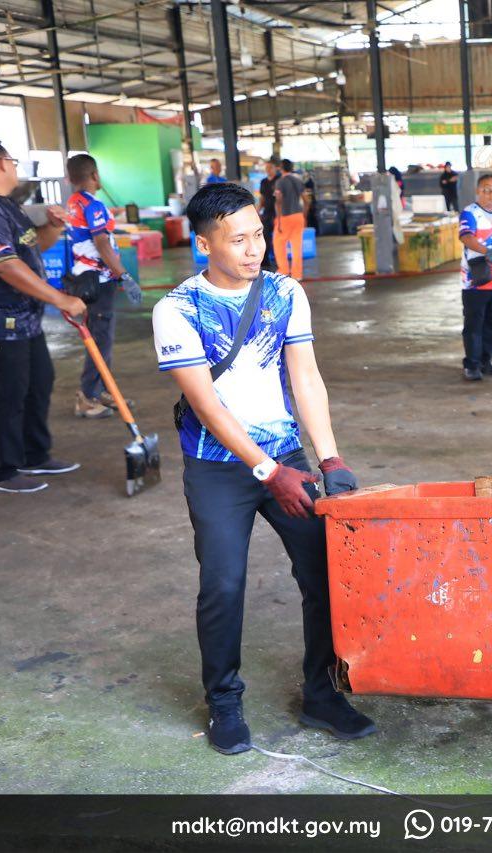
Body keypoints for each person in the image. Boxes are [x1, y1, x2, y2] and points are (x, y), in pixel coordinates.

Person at [152, 182, 375, 755]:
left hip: (289, 459)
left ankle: (322, 694)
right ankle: (224, 701)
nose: (254, 250)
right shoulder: (176, 310)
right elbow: (207, 405)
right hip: (218, 468)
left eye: (258, 235)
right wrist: (266, 472)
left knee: (325, 575)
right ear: (205, 244)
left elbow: (305, 376)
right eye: (238, 240)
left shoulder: (284, 291)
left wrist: (329, 456)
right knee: (222, 585)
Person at [0, 136, 86, 493]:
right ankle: (4, 470)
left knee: (38, 382)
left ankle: (34, 455)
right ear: (2, 162)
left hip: (23, 320)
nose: (15, 168)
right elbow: (5, 266)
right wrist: (61, 300)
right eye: (13, 162)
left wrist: (53, 227)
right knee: (9, 391)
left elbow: (30, 251)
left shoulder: (7, 205)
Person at [64, 153, 143, 419]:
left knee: (100, 337)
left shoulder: (73, 202)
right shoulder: (93, 204)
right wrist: (124, 276)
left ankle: (101, 391)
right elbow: (101, 244)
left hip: (83, 278)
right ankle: (87, 397)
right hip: (98, 281)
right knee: (100, 341)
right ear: (95, 175)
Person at [458, 174, 492, 381]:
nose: (491, 195)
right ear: (478, 192)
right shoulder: (470, 212)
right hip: (475, 280)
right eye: (486, 190)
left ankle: (486, 361)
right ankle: (472, 365)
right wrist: (486, 251)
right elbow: (466, 237)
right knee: (474, 324)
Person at [273, 159, 308, 282]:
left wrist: (278, 219)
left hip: (285, 217)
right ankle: (297, 274)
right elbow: (306, 201)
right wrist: (304, 216)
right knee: (297, 246)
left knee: (278, 244)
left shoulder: (280, 182)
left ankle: (283, 270)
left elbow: (278, 201)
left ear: (281, 168)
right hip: (298, 216)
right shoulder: (298, 180)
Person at [258, 158, 279, 272]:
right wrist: (257, 211)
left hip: (278, 213)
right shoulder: (263, 182)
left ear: (275, 168)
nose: (268, 170)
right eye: (267, 168)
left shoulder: (279, 180)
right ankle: (265, 261)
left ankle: (278, 260)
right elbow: (262, 198)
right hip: (267, 212)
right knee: (264, 236)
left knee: (277, 238)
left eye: (270, 167)